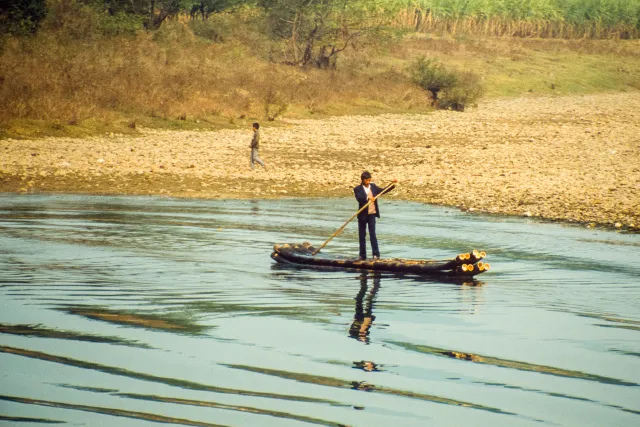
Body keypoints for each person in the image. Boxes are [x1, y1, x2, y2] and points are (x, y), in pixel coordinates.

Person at [353, 171, 397, 260]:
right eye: (367, 180)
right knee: (362, 235)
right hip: (362, 216)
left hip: (371, 215)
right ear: (362, 180)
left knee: (372, 234)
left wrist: (391, 185)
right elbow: (360, 199)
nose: (368, 182)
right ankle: (362, 255)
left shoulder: (373, 186)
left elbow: (382, 191)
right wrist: (368, 198)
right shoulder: (357, 189)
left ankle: (376, 255)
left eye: (369, 180)